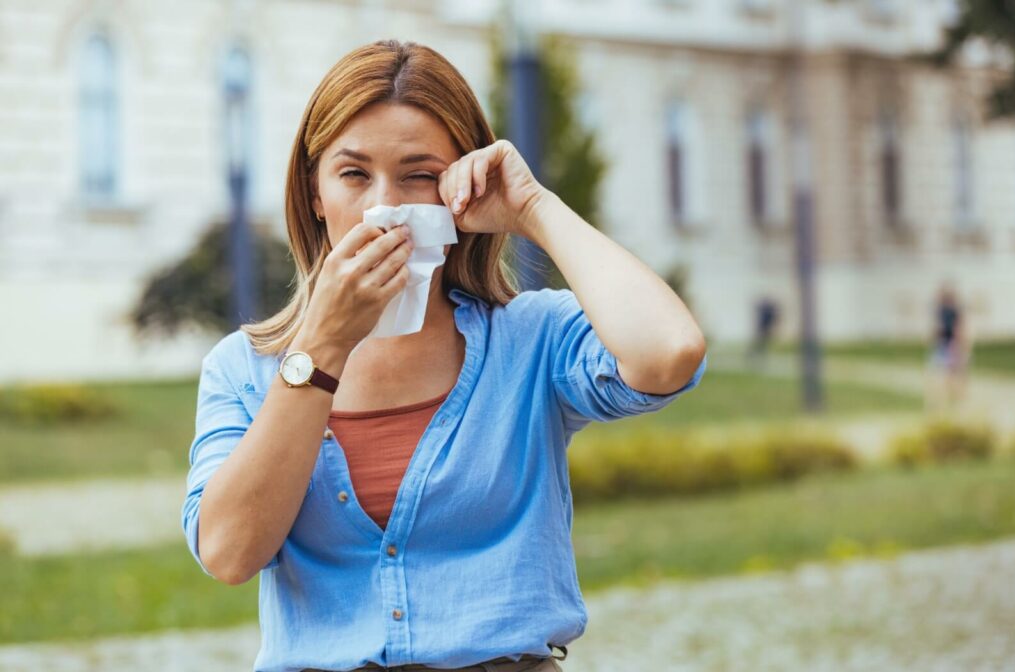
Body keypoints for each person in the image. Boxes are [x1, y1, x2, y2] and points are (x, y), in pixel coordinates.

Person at [181, 39, 707, 672]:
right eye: (353, 174)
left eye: (419, 175)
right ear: (315, 194)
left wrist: (533, 209)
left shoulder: (530, 341)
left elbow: (670, 352)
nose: (383, 206)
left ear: (459, 192)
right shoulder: (243, 369)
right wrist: (321, 348)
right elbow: (229, 552)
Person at [927, 283, 970, 411]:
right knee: (946, 370)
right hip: (943, 343)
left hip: (951, 343)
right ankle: (950, 394)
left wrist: (960, 343)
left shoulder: (953, 310)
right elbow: (938, 328)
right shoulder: (940, 310)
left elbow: (958, 328)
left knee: (955, 370)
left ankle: (957, 394)